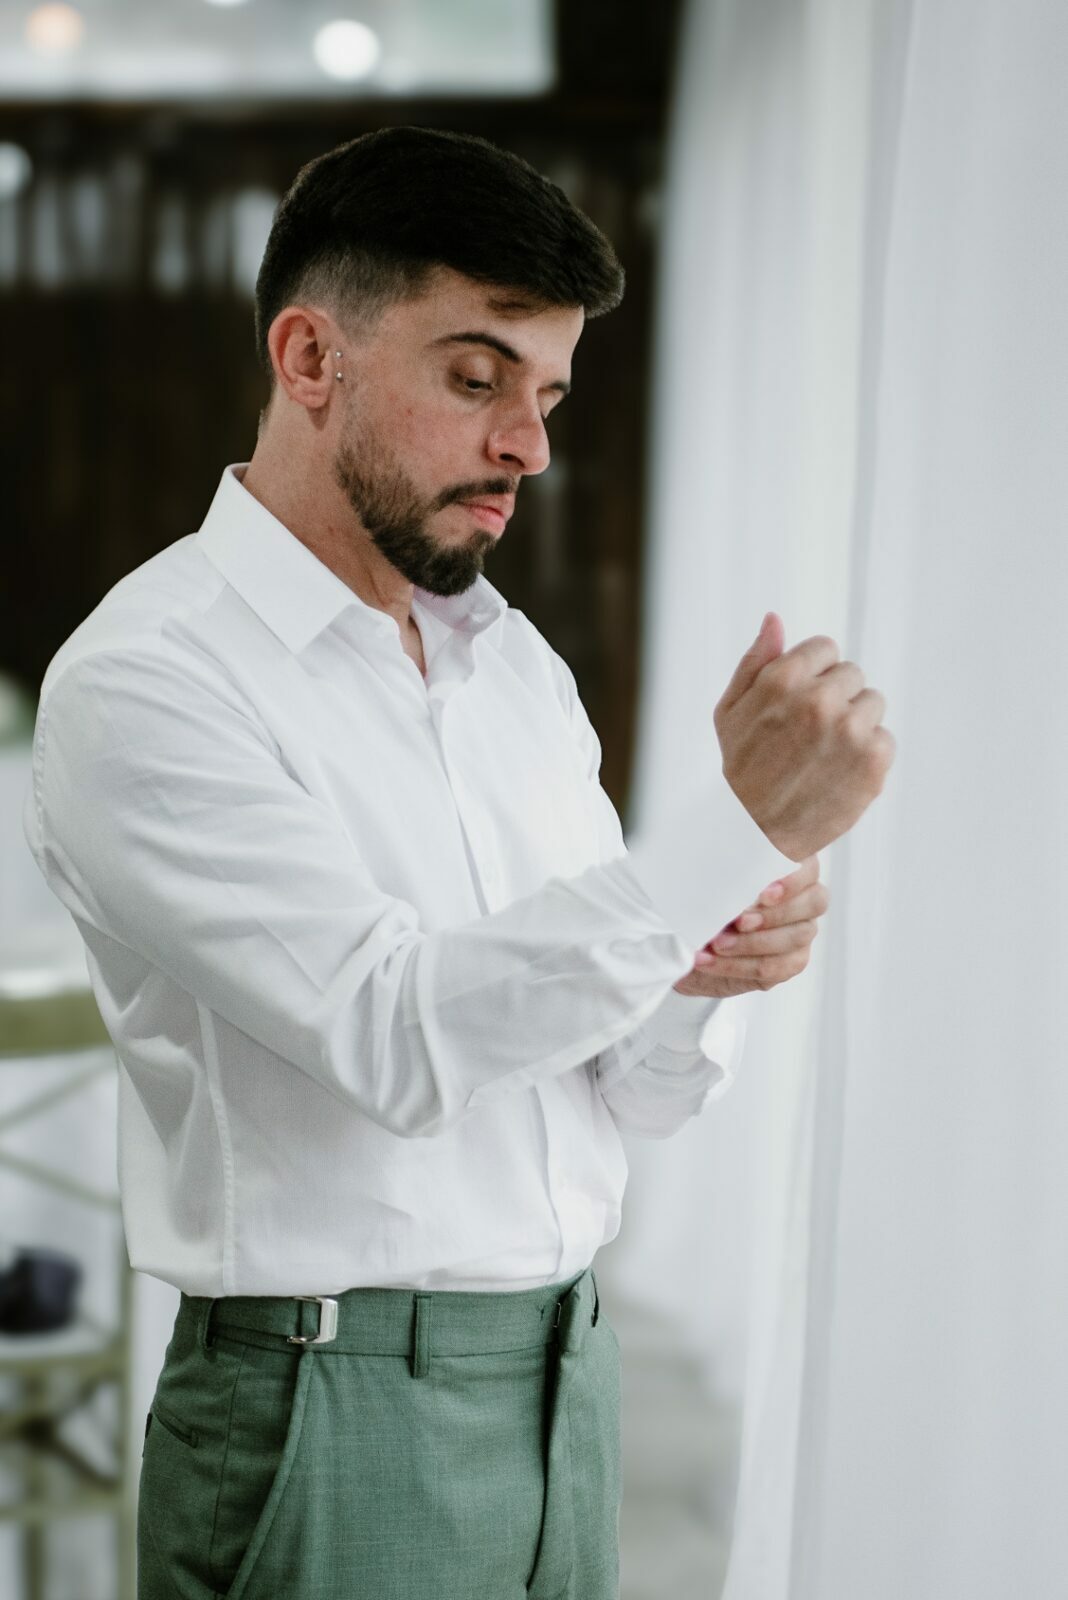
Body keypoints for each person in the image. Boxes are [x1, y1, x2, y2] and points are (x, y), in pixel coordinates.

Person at [23, 126, 893, 1600]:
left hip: (571, 1379)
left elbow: (634, 1092)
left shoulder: (516, 671)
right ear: (312, 358)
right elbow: (398, 1037)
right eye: (479, 378)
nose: (529, 448)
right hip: (325, 1414)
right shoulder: (146, 681)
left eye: (547, 397)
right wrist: (731, 832)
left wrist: (702, 965)